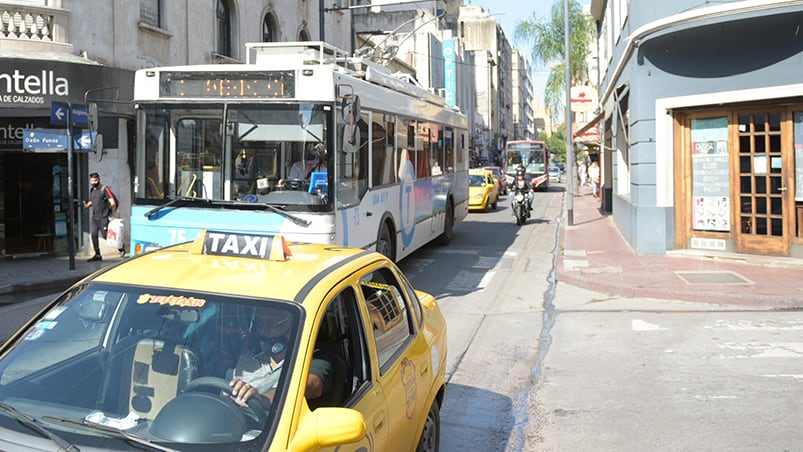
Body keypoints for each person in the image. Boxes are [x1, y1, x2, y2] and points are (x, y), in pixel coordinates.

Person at [228, 310, 333, 410]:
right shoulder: (248, 353)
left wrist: (260, 399)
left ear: (296, 325)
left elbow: (309, 387)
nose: (263, 330)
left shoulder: (315, 359)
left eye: (273, 323)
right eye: (259, 322)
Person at [82, 172, 118, 262]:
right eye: (92, 181)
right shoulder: (92, 190)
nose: (93, 182)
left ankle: (121, 248)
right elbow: (92, 201)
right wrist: (87, 205)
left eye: (95, 180)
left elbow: (112, 202)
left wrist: (113, 214)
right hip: (95, 217)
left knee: (106, 236)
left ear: (99, 179)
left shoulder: (104, 189)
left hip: (103, 217)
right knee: (94, 235)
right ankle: (97, 255)